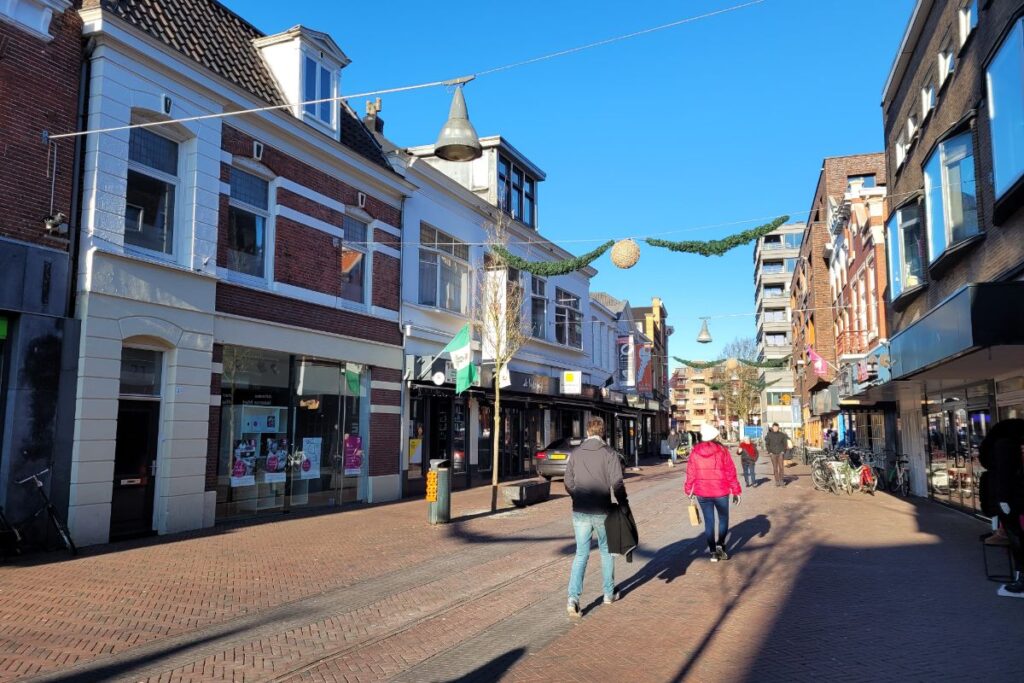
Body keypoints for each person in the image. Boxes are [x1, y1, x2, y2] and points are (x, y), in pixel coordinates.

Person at [565, 416, 629, 617]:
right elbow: (617, 483)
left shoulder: (575, 453)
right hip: (602, 510)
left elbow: (568, 481)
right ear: (603, 433)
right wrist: (623, 504)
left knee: (581, 554)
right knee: (606, 552)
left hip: (581, 511)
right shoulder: (610, 453)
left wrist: (577, 495)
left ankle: (573, 598)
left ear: (587, 432)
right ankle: (609, 594)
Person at [979, 419, 1024, 598]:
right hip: (1014, 499)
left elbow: (1004, 475)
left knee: (1017, 539)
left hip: (1012, 501)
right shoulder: (1010, 446)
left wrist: (1003, 500)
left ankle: (1021, 579)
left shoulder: (1003, 446)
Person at [685, 423, 742, 562]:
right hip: (721, 491)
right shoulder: (722, 450)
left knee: (709, 522)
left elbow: (690, 473)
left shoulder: (695, 451)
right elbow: (730, 471)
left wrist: (688, 489)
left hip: (702, 492)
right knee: (723, 519)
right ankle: (720, 545)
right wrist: (736, 491)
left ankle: (712, 551)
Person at [764, 422, 791, 487]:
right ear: (772, 428)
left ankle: (781, 480)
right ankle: (777, 481)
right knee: (775, 468)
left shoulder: (782, 435)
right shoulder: (769, 435)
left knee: (781, 467)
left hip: (780, 453)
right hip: (773, 454)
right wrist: (769, 452)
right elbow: (767, 444)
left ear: (778, 428)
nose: (775, 428)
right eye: (774, 427)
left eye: (776, 427)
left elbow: (785, 443)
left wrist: (783, 451)